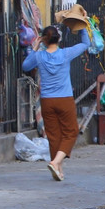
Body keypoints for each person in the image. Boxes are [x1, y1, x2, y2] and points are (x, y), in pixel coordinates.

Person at [21, 24, 91, 182]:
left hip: (47, 101)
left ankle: (58, 169)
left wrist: (35, 47)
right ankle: (56, 161)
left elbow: (25, 66)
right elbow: (86, 44)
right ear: (59, 39)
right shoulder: (66, 54)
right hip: (64, 99)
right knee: (71, 131)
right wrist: (80, 26)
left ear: (44, 40)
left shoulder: (39, 56)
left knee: (53, 135)